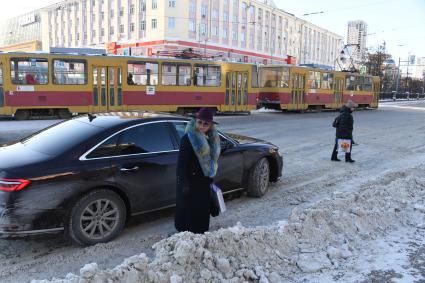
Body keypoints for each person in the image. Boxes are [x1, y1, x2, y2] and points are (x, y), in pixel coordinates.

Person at [175, 108, 221, 233]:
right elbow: (181, 165)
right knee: (188, 219)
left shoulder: (211, 139)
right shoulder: (188, 138)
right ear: (195, 121)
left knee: (201, 218)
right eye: (199, 122)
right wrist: (184, 184)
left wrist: (211, 180)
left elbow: (211, 162)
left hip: (204, 184)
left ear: (210, 125)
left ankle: (199, 240)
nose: (201, 126)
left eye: (205, 123)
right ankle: (187, 244)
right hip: (190, 185)